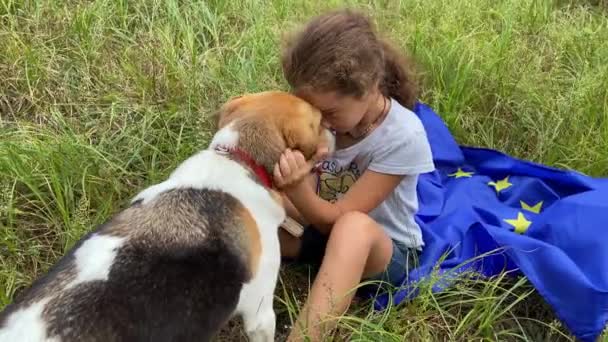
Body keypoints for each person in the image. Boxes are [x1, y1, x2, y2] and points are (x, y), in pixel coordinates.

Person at [273, 9, 435, 341]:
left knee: (352, 228)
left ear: (370, 88)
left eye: (329, 112)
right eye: (312, 111)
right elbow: (305, 202)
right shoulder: (325, 122)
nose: (321, 121)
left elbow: (335, 219)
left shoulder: (404, 136)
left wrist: (298, 188)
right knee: (251, 218)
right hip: (320, 233)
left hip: (383, 254)